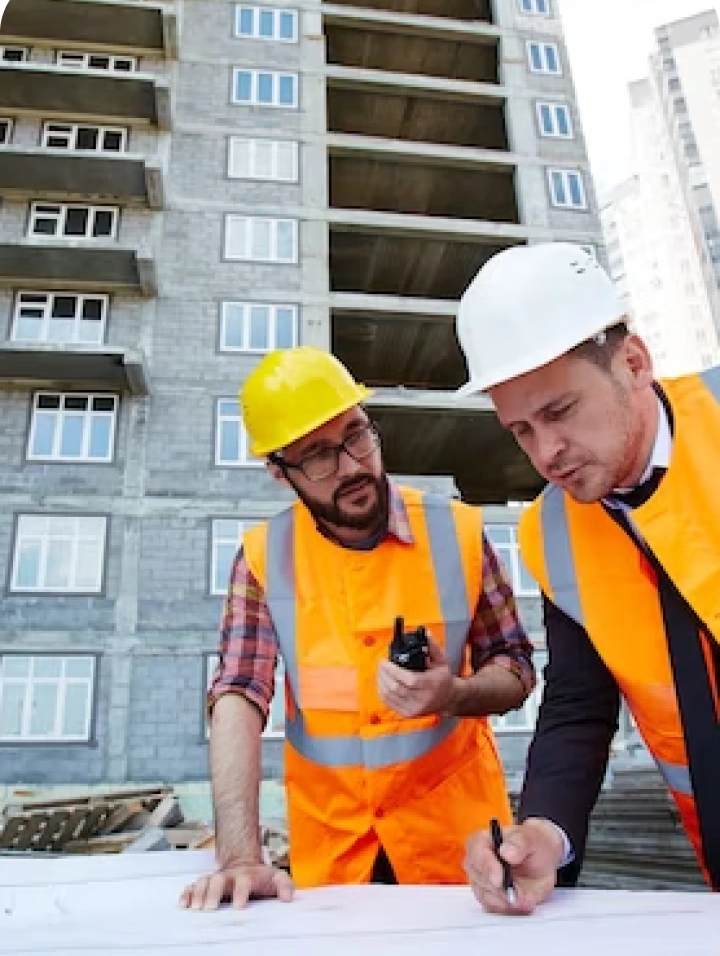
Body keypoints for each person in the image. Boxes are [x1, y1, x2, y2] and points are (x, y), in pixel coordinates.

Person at [180, 345, 535, 910]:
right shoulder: (262, 558)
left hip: (463, 860)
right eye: (318, 456)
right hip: (335, 864)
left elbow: (515, 668)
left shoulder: (459, 533)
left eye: (356, 435)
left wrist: (456, 693)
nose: (351, 466)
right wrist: (241, 856)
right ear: (279, 472)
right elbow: (238, 695)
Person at [455, 241, 720, 913]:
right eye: (520, 430)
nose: (546, 454)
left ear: (633, 363)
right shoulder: (552, 535)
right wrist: (544, 830)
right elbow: (577, 702)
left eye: (559, 413)